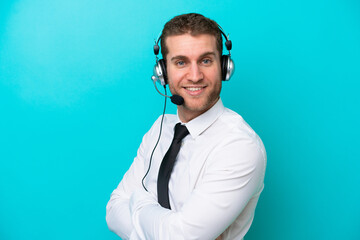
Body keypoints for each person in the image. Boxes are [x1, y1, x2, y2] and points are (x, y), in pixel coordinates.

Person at [106, 13, 266, 240]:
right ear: (163, 73)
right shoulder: (160, 129)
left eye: (206, 60)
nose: (195, 75)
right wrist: (165, 227)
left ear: (223, 67)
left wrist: (139, 201)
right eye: (181, 62)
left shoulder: (240, 146)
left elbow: (181, 238)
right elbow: (113, 210)